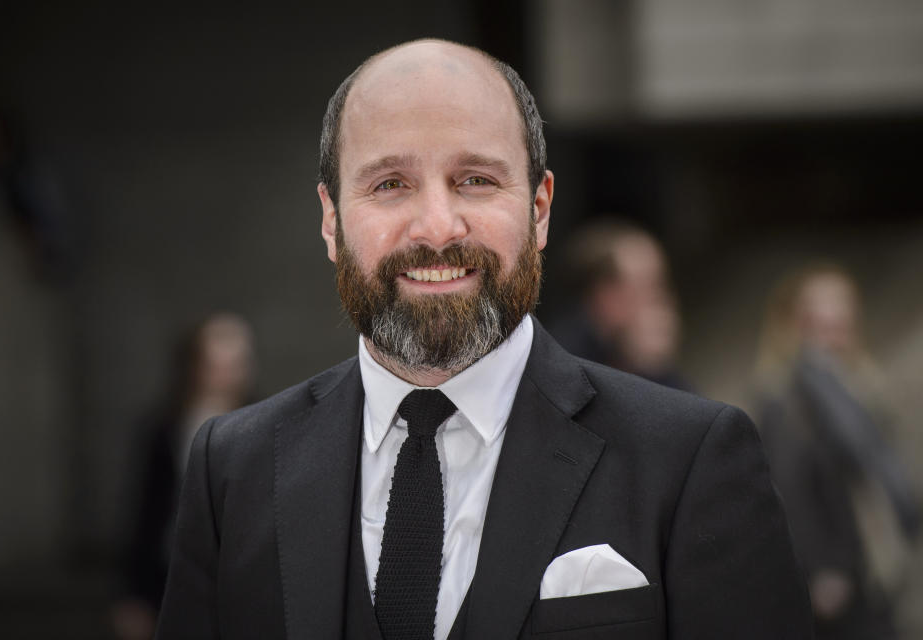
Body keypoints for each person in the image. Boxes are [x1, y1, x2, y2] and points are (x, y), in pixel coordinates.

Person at [156, 39, 811, 639]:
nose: (438, 228)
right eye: (390, 184)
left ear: (540, 209)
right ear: (331, 221)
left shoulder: (691, 457)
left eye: (476, 179)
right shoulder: (232, 469)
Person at [754, 265, 919, 640]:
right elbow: (789, 488)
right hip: (839, 570)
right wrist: (822, 568)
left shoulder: (857, 382)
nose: (835, 315)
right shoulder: (786, 396)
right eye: (822, 307)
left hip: (876, 556)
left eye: (842, 303)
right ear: (797, 320)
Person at [113, 313, 256, 640]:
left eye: (236, 363)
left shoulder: (268, 425)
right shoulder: (165, 429)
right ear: (196, 365)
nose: (227, 375)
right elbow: (144, 512)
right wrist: (133, 594)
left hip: (240, 575)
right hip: (172, 569)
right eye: (217, 363)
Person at [550, 219, 688, 389]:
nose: (660, 301)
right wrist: (644, 369)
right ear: (607, 297)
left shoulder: (639, 352)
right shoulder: (563, 360)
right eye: (646, 287)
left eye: (661, 285)